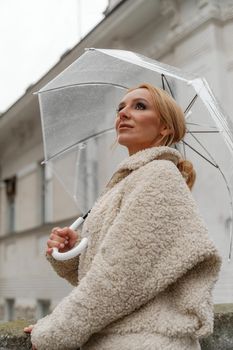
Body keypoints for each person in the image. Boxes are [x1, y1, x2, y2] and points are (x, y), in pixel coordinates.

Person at [24, 83, 221, 350]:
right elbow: (118, 273)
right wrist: (73, 253)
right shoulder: (127, 182)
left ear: (165, 128)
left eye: (139, 106)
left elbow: (116, 279)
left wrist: (54, 332)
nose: (124, 113)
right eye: (121, 108)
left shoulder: (159, 176)